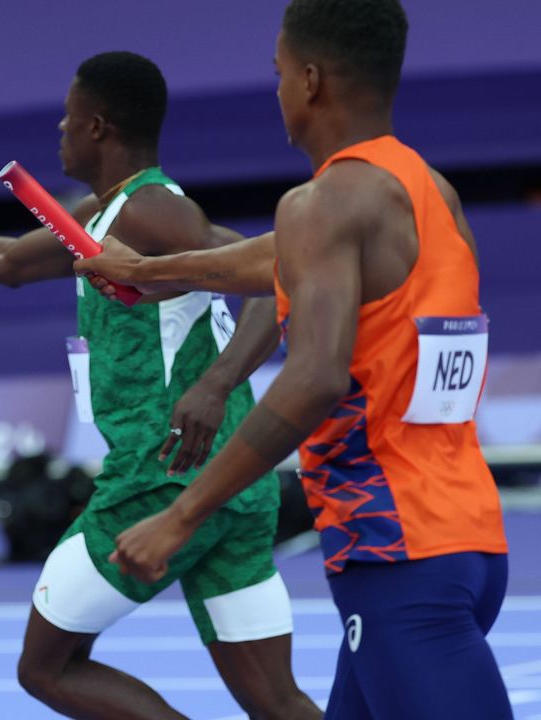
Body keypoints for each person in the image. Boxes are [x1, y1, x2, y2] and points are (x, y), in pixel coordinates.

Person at [0, 52, 318, 719]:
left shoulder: (151, 211)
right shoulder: (103, 213)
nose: (59, 128)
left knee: (46, 667)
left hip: (158, 476)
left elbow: (275, 276)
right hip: (234, 486)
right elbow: (3, 260)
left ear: (96, 127)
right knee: (278, 703)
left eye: (67, 117)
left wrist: (216, 382)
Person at [100, 2, 511, 718]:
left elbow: (316, 377)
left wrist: (184, 514)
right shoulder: (426, 192)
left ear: (312, 81)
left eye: (279, 74)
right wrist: (159, 270)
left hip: (395, 555)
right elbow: (276, 259)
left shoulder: (321, 203)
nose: (279, 90)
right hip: (468, 542)